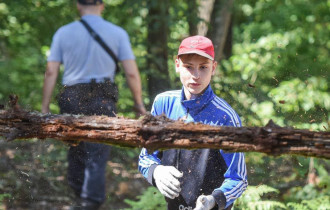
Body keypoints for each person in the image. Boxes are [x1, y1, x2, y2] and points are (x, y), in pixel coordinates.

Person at [42, 0, 146, 209]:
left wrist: (45, 107)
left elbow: (51, 71)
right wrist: (139, 104)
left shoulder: (63, 33)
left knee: (75, 146)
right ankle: (89, 201)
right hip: (103, 96)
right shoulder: (117, 33)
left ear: (78, 5)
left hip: (71, 96)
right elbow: (131, 72)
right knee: (97, 150)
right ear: (102, 5)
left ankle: (79, 195)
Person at [138, 35, 248, 210]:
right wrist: (156, 172)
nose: (196, 75)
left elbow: (238, 179)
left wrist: (213, 201)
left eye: (203, 67)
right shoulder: (163, 104)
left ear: (213, 68)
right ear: (177, 65)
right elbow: (146, 157)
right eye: (189, 67)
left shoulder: (225, 117)